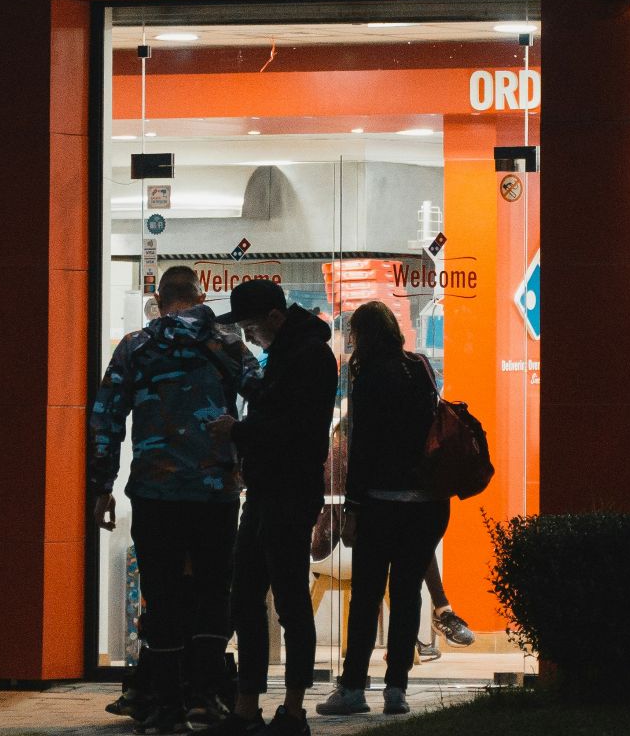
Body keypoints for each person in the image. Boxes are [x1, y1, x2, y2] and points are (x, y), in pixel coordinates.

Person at [91, 265, 258, 735]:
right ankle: (206, 699)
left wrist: (102, 487)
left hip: (155, 493)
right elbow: (265, 400)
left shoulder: (136, 347)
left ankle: (165, 707)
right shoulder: (228, 345)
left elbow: (106, 417)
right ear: (201, 297)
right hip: (215, 493)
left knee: (162, 596)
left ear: (160, 301)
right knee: (213, 592)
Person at [209, 279, 338, 736]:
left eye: (251, 328)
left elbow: (295, 429)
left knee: (289, 602)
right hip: (266, 492)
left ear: (275, 318)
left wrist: (238, 431)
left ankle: (294, 712)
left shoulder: (309, 357)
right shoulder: (287, 354)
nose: (249, 337)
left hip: (289, 493)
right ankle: (247, 708)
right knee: (246, 599)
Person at [316, 302, 448, 718]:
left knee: (367, 596)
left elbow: (363, 449)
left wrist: (352, 509)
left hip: (380, 504)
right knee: (407, 596)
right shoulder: (419, 367)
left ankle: (353, 687)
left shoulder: (369, 375)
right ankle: (396, 690)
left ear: (362, 336)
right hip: (425, 503)